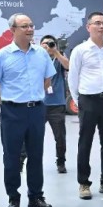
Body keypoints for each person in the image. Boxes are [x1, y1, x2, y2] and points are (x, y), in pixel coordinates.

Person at [0, 13, 55, 207]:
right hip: (12, 112)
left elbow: (47, 79)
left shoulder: (41, 54)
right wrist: (7, 103)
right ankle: (13, 198)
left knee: (36, 155)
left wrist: (34, 97)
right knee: (12, 157)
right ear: (13, 30)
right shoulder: (2, 55)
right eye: (24, 26)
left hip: (36, 111)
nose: (30, 29)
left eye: (31, 25)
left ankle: (36, 197)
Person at [67, 11, 103, 200]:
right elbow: (72, 78)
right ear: (88, 27)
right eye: (97, 23)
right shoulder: (80, 50)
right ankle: (83, 183)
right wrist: (79, 101)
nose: (101, 26)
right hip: (87, 100)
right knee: (85, 142)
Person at [39, 34, 70, 173]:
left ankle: (61, 162)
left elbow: (68, 66)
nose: (48, 46)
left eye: (50, 43)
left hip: (57, 104)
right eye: (44, 44)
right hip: (39, 104)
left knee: (60, 137)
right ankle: (23, 160)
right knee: (32, 135)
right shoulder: (36, 58)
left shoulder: (59, 57)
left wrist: (56, 52)